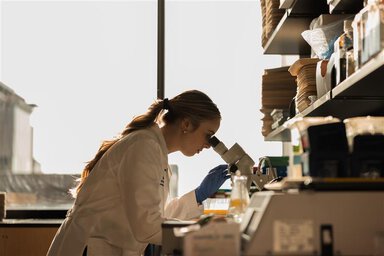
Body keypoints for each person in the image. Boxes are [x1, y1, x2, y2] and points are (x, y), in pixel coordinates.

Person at [47, 89, 230, 256]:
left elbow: (153, 216)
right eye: (208, 134)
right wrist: (202, 231)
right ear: (187, 124)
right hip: (90, 248)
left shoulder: (155, 151)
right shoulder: (143, 146)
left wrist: (197, 197)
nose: (208, 144)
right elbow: (146, 225)